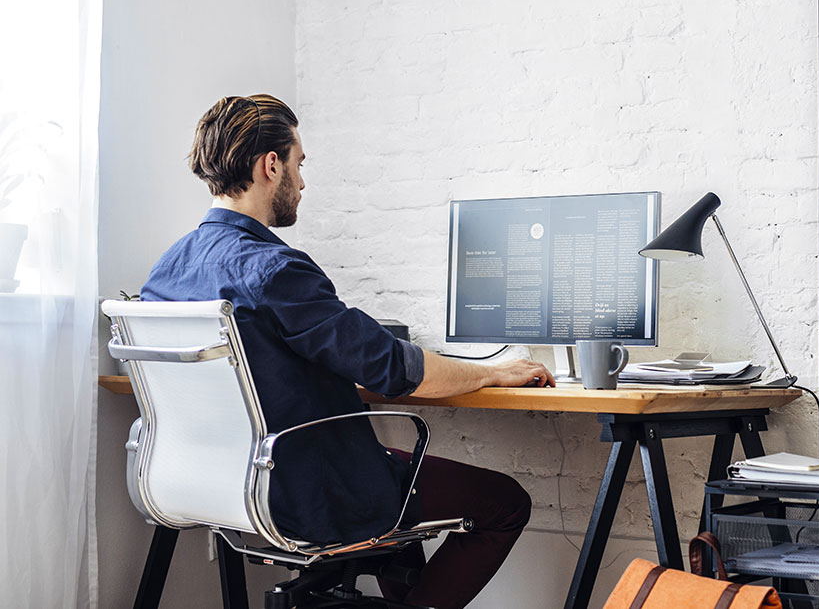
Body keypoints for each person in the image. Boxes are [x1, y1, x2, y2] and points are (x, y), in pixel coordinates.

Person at [140, 94, 554, 609]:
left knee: (393, 508)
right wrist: (492, 372)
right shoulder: (274, 269)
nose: (303, 181)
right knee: (505, 502)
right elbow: (393, 369)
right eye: (300, 163)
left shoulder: (168, 268)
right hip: (307, 489)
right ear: (272, 165)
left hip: (218, 483)